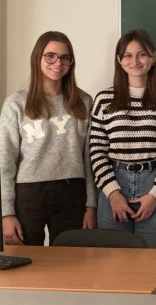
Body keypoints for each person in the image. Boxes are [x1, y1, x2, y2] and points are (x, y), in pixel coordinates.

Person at [90, 29, 156, 248]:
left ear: (153, 57)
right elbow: (96, 152)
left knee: (155, 261)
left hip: (154, 184)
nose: (135, 61)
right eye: (128, 55)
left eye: (142, 54)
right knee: (112, 262)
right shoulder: (104, 99)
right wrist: (113, 194)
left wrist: (154, 195)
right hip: (113, 185)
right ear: (119, 60)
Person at [0, 31, 96, 246]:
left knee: (71, 261)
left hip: (73, 193)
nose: (58, 63)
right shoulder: (16, 103)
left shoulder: (84, 101)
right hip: (28, 194)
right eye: (50, 56)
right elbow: (4, 162)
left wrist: (91, 204)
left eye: (65, 57)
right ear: (38, 58)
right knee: (26, 260)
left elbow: (89, 158)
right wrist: (6, 213)